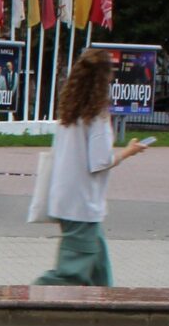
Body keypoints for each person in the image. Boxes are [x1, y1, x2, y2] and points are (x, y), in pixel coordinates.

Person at [36, 48, 150, 287]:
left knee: (99, 272)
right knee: (70, 275)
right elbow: (100, 162)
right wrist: (128, 151)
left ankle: (106, 315)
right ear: (103, 79)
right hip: (82, 205)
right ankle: (24, 299)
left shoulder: (69, 111)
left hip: (65, 200)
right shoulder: (96, 115)